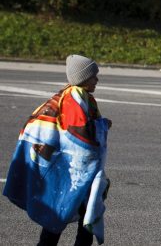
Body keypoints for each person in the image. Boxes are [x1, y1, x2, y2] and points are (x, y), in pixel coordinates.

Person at [4, 54, 111, 246]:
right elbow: (80, 135)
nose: (97, 80)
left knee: (68, 207)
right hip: (73, 168)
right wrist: (102, 126)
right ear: (83, 78)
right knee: (68, 206)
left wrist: (101, 125)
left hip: (69, 166)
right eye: (93, 76)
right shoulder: (74, 99)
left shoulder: (76, 96)